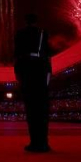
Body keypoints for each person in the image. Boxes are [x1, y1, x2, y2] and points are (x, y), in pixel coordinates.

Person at [14, 13, 52, 152]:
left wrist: (18, 73)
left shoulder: (20, 34)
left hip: (26, 69)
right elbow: (48, 55)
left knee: (31, 108)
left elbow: (17, 54)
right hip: (41, 68)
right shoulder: (43, 33)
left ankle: (34, 142)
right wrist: (48, 72)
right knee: (42, 108)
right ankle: (43, 143)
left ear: (26, 21)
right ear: (36, 21)